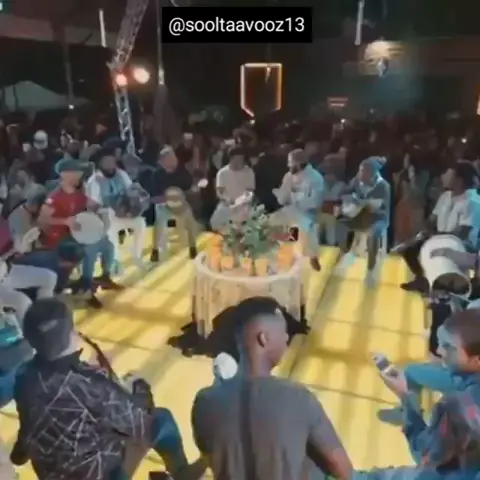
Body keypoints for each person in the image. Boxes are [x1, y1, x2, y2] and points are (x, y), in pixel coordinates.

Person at [11, 298, 205, 480]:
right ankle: (181, 473)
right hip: (99, 473)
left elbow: (29, 425)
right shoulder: (91, 383)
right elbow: (139, 420)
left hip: (52, 473)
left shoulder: (24, 376)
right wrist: (138, 386)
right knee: (161, 419)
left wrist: (18, 455)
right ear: (72, 334)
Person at [191, 296, 353, 480]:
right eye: (283, 332)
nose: (286, 338)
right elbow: (344, 471)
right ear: (263, 338)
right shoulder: (297, 398)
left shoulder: (204, 402)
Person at [376, 309, 480, 472]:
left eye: (449, 348)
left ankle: (407, 411)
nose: (439, 351)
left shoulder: (460, 410)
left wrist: (406, 398)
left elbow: (425, 455)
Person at [38, 159, 121, 308]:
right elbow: (43, 220)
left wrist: (104, 207)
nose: (80, 175)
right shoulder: (55, 197)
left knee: (107, 245)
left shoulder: (78, 194)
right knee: (90, 249)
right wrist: (65, 221)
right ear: (65, 174)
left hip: (76, 233)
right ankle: (86, 287)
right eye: (76, 172)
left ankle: (104, 276)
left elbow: (92, 204)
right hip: (60, 238)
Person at [400, 161, 480, 294]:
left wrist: (436, 237)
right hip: (439, 237)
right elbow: (431, 220)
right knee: (410, 249)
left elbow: (463, 232)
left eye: (450, 175)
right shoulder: (445, 196)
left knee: (438, 251)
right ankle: (422, 280)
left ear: (459, 180)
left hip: (462, 244)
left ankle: (450, 286)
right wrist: (426, 233)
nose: (444, 177)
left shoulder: (473, 201)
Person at [86, 146, 147, 269]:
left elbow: (131, 191)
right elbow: (93, 206)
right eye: (106, 162)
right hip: (105, 217)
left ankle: (136, 256)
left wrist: (132, 206)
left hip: (124, 212)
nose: (110, 165)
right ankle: (115, 261)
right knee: (109, 220)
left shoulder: (121, 174)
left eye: (112, 161)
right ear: (100, 164)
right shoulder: (94, 181)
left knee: (140, 223)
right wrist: (112, 209)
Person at [335, 156, 391, 285]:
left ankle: (370, 271)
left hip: (378, 217)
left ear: (372, 173)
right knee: (341, 224)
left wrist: (364, 202)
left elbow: (379, 207)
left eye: (364, 171)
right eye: (360, 170)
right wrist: (350, 200)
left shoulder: (383, 186)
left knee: (374, 234)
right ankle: (345, 254)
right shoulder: (356, 180)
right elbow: (345, 193)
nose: (360, 174)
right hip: (359, 215)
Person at [139, 146, 199, 263]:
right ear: (162, 162)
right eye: (169, 158)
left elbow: (190, 190)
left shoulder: (183, 172)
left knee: (190, 220)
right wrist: (167, 198)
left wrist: (192, 190)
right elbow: (154, 198)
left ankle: (193, 247)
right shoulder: (157, 175)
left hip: (181, 205)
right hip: (164, 205)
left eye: (174, 157)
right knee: (159, 222)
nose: (173, 160)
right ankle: (155, 250)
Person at [270, 148, 324, 271]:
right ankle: (280, 254)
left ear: (299, 164)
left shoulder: (316, 178)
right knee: (271, 221)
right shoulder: (288, 176)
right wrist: (281, 195)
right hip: (290, 209)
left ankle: (312, 257)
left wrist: (294, 197)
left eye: (291, 163)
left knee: (307, 227)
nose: (288, 166)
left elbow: (314, 203)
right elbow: (282, 200)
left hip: (308, 213)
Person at [210, 146, 256, 231]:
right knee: (216, 222)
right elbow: (219, 192)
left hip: (243, 206)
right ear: (231, 159)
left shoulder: (249, 172)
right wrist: (227, 199)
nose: (239, 162)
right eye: (237, 159)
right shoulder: (222, 173)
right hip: (226, 206)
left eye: (241, 159)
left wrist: (243, 200)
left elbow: (250, 191)